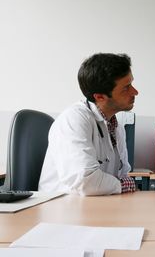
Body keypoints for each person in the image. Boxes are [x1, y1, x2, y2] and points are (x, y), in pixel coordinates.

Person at [39, 53, 138, 196]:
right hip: (62, 209)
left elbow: (122, 174)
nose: (135, 92)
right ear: (100, 97)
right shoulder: (73, 120)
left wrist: (122, 183)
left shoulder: (116, 127)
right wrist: (124, 185)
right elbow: (85, 181)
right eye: (126, 88)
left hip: (97, 206)